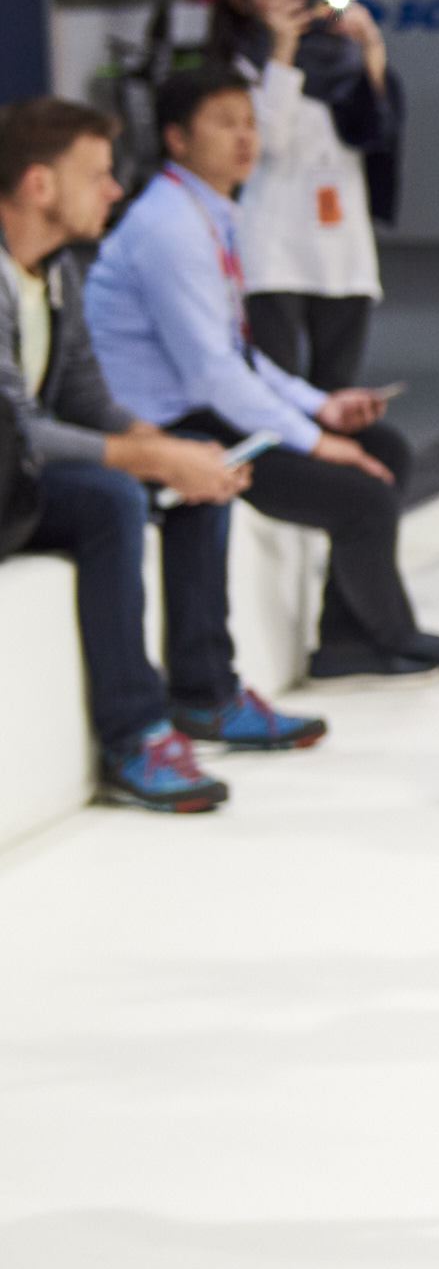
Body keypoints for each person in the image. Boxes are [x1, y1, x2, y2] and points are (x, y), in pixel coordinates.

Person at [86, 69, 439, 691]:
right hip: (170, 425)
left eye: (249, 122)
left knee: (385, 449)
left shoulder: (212, 214)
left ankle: (348, 638)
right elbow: (213, 373)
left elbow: (239, 353)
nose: (245, 137)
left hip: (206, 407)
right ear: (177, 139)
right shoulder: (169, 226)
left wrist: (321, 407)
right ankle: (387, 634)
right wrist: (316, 442)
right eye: (225, 122)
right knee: (362, 490)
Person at [3, 101, 325, 815]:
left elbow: (84, 394)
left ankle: (205, 692)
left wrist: (170, 449)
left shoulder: (56, 272)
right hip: (8, 476)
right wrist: (144, 458)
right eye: (97, 175)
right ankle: (133, 733)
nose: (115, 190)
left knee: (192, 468)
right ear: (39, 185)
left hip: (13, 476)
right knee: (113, 498)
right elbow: (16, 430)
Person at [213, 0, 402, 393]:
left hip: (343, 248)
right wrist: (282, 51)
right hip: (274, 247)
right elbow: (267, 143)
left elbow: (376, 134)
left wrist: (371, 51)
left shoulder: (341, 56)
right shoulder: (236, 67)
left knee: (338, 390)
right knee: (275, 388)